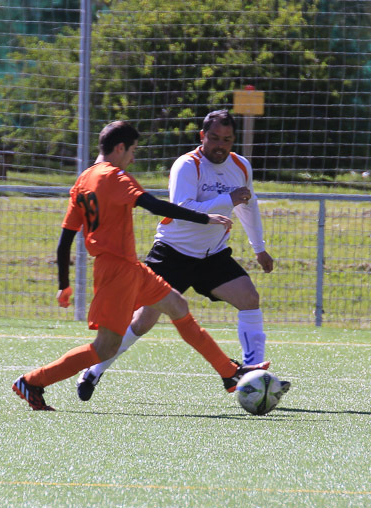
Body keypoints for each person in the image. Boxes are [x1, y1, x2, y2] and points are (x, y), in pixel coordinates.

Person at [12, 120, 270, 411]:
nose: (133, 159)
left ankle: (229, 373)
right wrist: (205, 218)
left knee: (178, 306)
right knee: (105, 347)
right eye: (133, 151)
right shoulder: (115, 177)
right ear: (120, 148)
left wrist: (63, 284)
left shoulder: (83, 181)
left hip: (130, 268)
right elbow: (155, 206)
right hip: (117, 272)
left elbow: (65, 241)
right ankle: (33, 381)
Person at [76, 109, 287, 402]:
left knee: (249, 298)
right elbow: (182, 208)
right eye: (214, 138)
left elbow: (247, 206)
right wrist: (227, 199)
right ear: (202, 136)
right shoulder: (187, 165)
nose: (220, 145)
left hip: (212, 255)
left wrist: (259, 247)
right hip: (173, 253)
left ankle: (253, 374)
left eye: (227, 139)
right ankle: (93, 371)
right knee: (142, 321)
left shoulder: (241, 166)